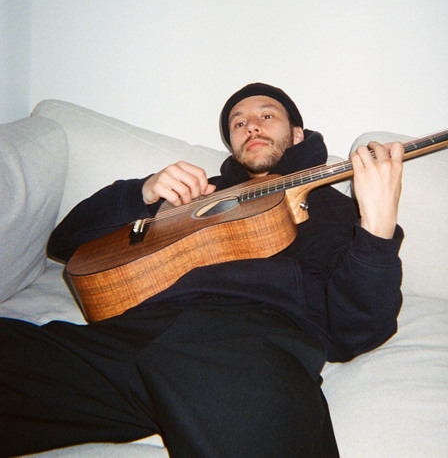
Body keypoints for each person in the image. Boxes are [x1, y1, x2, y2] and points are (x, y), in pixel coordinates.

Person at [0, 83, 404, 457]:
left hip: (247, 344)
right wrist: (142, 192)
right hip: (132, 335)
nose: (251, 126)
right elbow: (65, 243)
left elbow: (357, 330)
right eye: (238, 123)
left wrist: (378, 226)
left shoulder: (338, 209)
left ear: (297, 134)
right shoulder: (196, 192)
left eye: (267, 116)